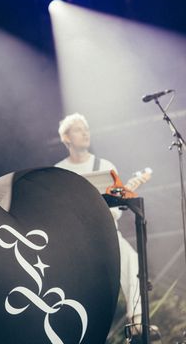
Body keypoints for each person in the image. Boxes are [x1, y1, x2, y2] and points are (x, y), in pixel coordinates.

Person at [55, 113, 152, 337]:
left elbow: (116, 212)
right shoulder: (59, 171)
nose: (85, 132)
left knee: (132, 261)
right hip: (73, 241)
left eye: (86, 128)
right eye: (79, 129)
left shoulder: (104, 166)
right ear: (66, 138)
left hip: (106, 236)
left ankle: (137, 320)